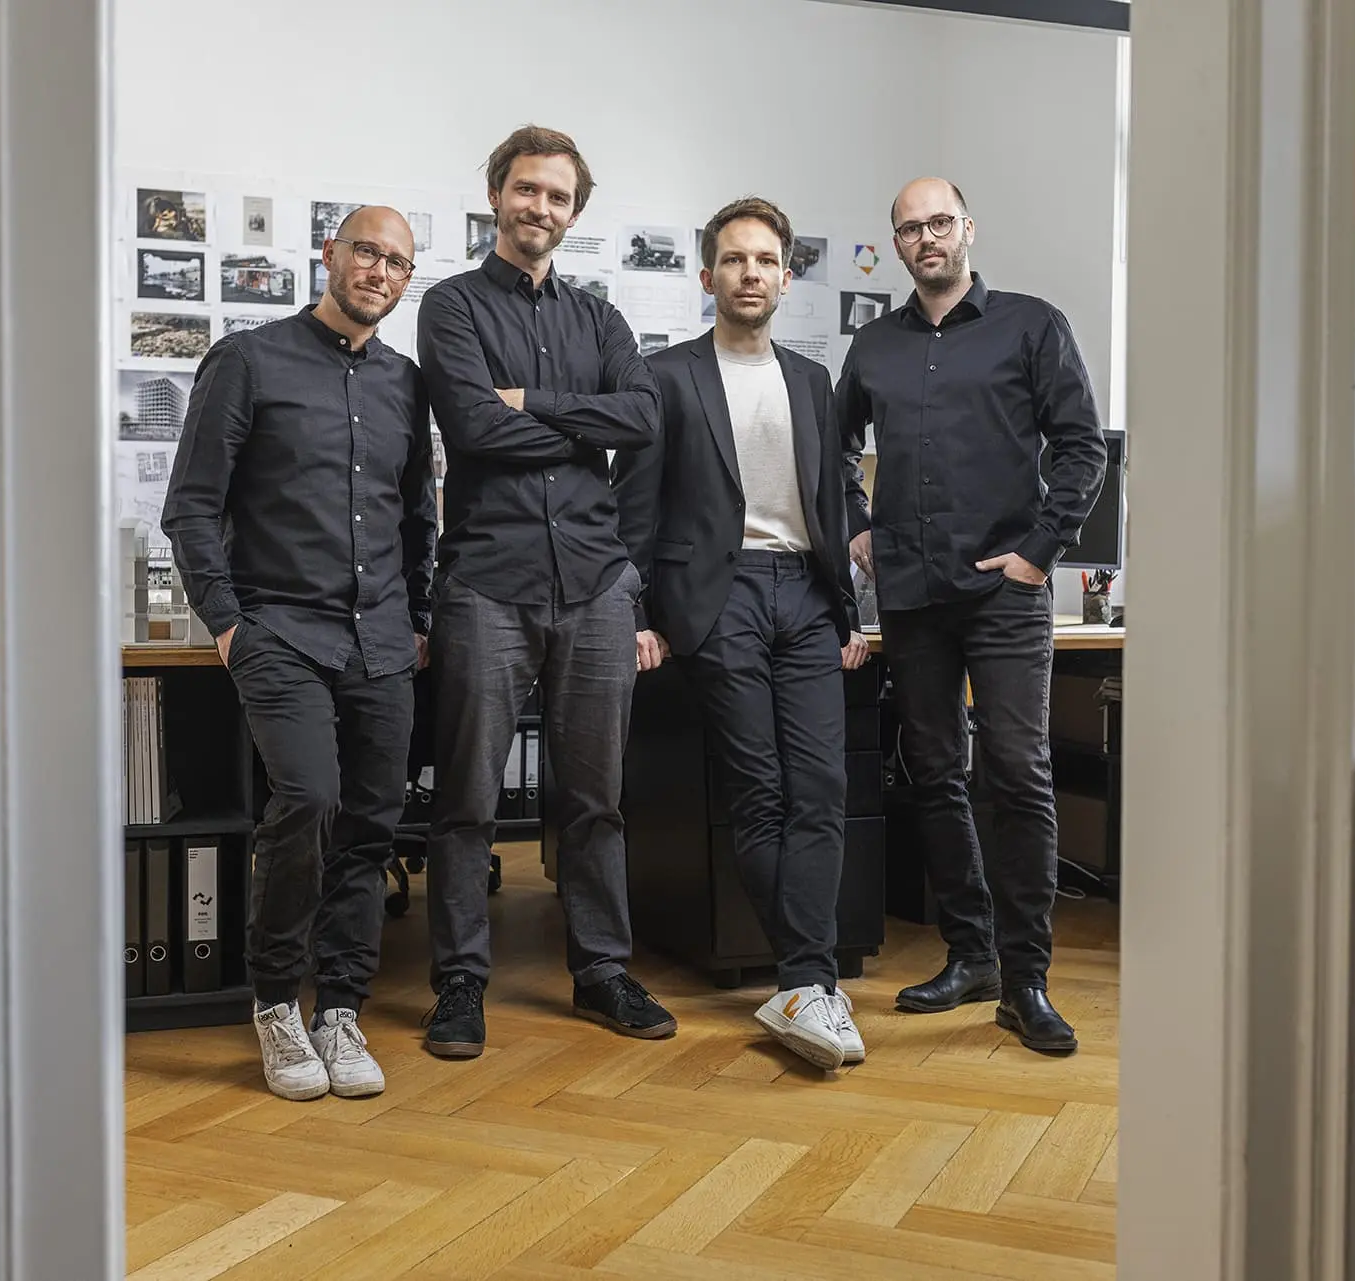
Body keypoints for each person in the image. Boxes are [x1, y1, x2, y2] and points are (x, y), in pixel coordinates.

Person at [161, 207, 434, 1100]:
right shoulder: (248, 360)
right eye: (366, 251)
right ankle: (277, 1001)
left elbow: (417, 519)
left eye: (397, 262)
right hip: (280, 630)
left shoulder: (406, 383)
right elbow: (191, 505)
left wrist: (418, 618)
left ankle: (341, 1007)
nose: (379, 271)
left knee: (370, 825)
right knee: (309, 799)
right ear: (329, 254)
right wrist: (226, 621)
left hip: (382, 640)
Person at [415, 125, 674, 1057]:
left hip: (597, 585)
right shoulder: (449, 306)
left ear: (574, 213)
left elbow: (643, 418)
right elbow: (474, 429)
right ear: (497, 195)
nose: (541, 208)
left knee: (595, 799)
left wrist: (534, 402)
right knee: (467, 799)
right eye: (527, 189)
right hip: (488, 581)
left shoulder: (601, 321)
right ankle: (460, 983)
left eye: (558, 196)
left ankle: (602, 969)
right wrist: (576, 424)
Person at [836, 178, 1106, 1054]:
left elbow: (1082, 447)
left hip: (1003, 595)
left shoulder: (1032, 325)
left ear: (967, 229)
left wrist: (1039, 550)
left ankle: (1028, 980)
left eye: (940, 222)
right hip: (912, 597)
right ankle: (972, 955)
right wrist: (856, 523)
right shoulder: (875, 345)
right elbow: (834, 449)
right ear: (898, 243)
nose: (927, 238)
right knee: (934, 773)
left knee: (1018, 772)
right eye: (911, 228)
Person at [614, 196, 871, 1071]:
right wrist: (641, 613)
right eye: (734, 259)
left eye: (764, 260)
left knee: (823, 786)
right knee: (759, 791)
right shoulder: (666, 375)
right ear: (708, 275)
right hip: (717, 600)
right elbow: (636, 506)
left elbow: (829, 501)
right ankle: (812, 980)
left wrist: (847, 611)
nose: (749, 273)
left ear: (786, 278)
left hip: (806, 595)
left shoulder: (811, 379)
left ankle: (806, 984)